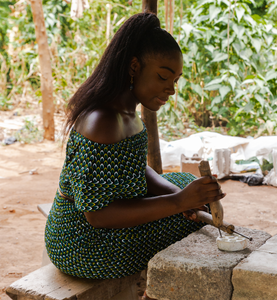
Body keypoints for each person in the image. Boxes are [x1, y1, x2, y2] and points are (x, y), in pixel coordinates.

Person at [45, 12, 225, 300]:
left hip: (108, 221)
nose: (171, 88)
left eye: (176, 80)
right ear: (134, 66)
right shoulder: (101, 122)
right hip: (83, 243)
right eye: (163, 76)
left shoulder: (127, 110)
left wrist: (180, 193)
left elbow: (135, 168)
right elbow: (99, 215)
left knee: (183, 181)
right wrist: (179, 201)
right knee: (183, 221)